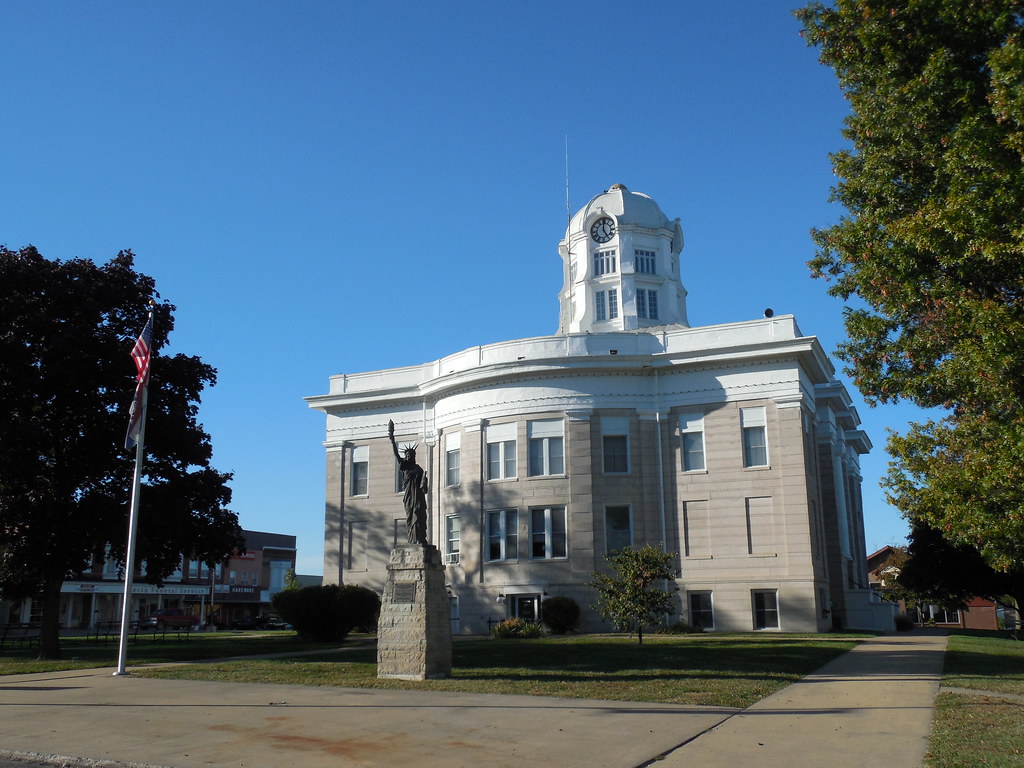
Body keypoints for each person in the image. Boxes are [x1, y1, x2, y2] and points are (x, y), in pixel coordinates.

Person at [388, 419, 428, 545]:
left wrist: (424, 483)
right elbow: (396, 455)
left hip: (419, 497)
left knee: (420, 516)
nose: (409, 457)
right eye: (407, 455)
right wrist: (392, 439)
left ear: (414, 456)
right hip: (409, 497)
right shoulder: (404, 466)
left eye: (411, 454)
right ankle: (412, 539)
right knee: (410, 516)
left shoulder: (418, 469)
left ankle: (420, 538)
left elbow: (425, 489)